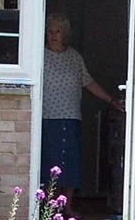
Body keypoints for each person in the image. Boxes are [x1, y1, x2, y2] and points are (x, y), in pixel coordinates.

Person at [42, 14, 123, 205]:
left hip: (71, 118)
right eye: (50, 31)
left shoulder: (74, 57)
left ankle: (67, 206)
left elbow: (88, 82)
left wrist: (111, 100)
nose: (53, 35)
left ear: (65, 34)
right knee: (49, 162)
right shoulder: (40, 56)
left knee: (70, 162)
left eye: (58, 31)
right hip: (47, 118)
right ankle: (49, 208)